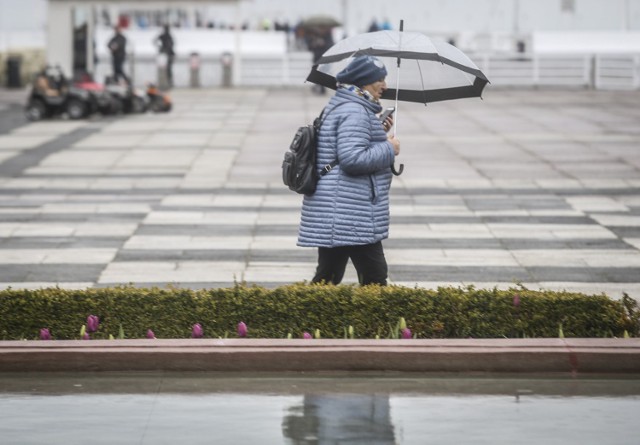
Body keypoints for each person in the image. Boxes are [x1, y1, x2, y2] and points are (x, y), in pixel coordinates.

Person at [297, 55, 401, 286]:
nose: (384, 86)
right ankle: (383, 323)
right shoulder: (355, 111)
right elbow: (352, 159)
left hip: (339, 206)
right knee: (374, 277)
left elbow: (347, 149)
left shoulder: (345, 105)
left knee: (328, 276)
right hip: (350, 209)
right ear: (364, 82)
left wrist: (377, 131)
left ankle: (312, 320)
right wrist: (388, 148)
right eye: (379, 80)